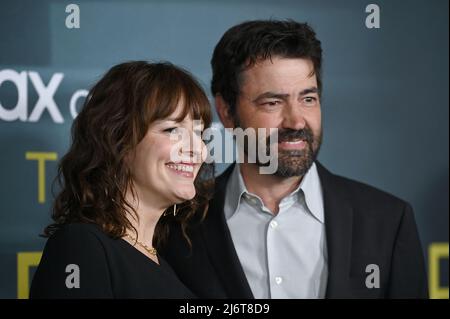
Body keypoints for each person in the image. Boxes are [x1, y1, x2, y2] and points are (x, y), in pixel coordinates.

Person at [160, 20, 428, 299]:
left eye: (308, 99)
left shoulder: (387, 221)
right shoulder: (179, 225)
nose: (296, 120)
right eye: (273, 102)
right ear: (226, 111)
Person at [30, 61, 213, 298]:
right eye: (172, 130)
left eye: (199, 133)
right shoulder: (81, 247)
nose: (197, 150)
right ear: (119, 141)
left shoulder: (163, 260)